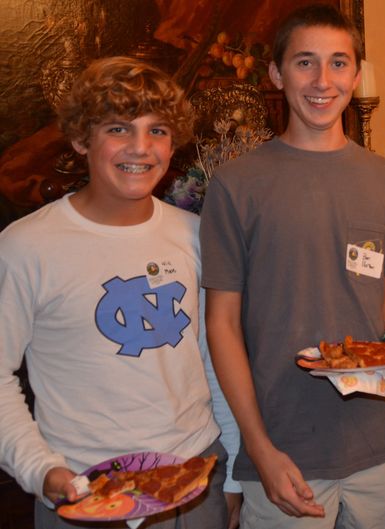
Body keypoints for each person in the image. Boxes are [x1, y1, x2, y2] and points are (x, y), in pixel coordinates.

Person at [199, 4, 385, 529]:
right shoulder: (237, 184)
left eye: (339, 63)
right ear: (276, 74)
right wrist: (257, 448)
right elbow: (222, 325)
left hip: (382, 444)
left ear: (357, 74)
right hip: (284, 450)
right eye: (305, 63)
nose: (323, 81)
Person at [0, 56, 234, 528]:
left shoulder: (196, 235)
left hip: (193, 478)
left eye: (158, 131)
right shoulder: (25, 246)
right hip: (84, 489)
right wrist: (40, 468)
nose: (141, 148)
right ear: (81, 138)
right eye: (119, 129)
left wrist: (231, 478)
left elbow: (214, 357)